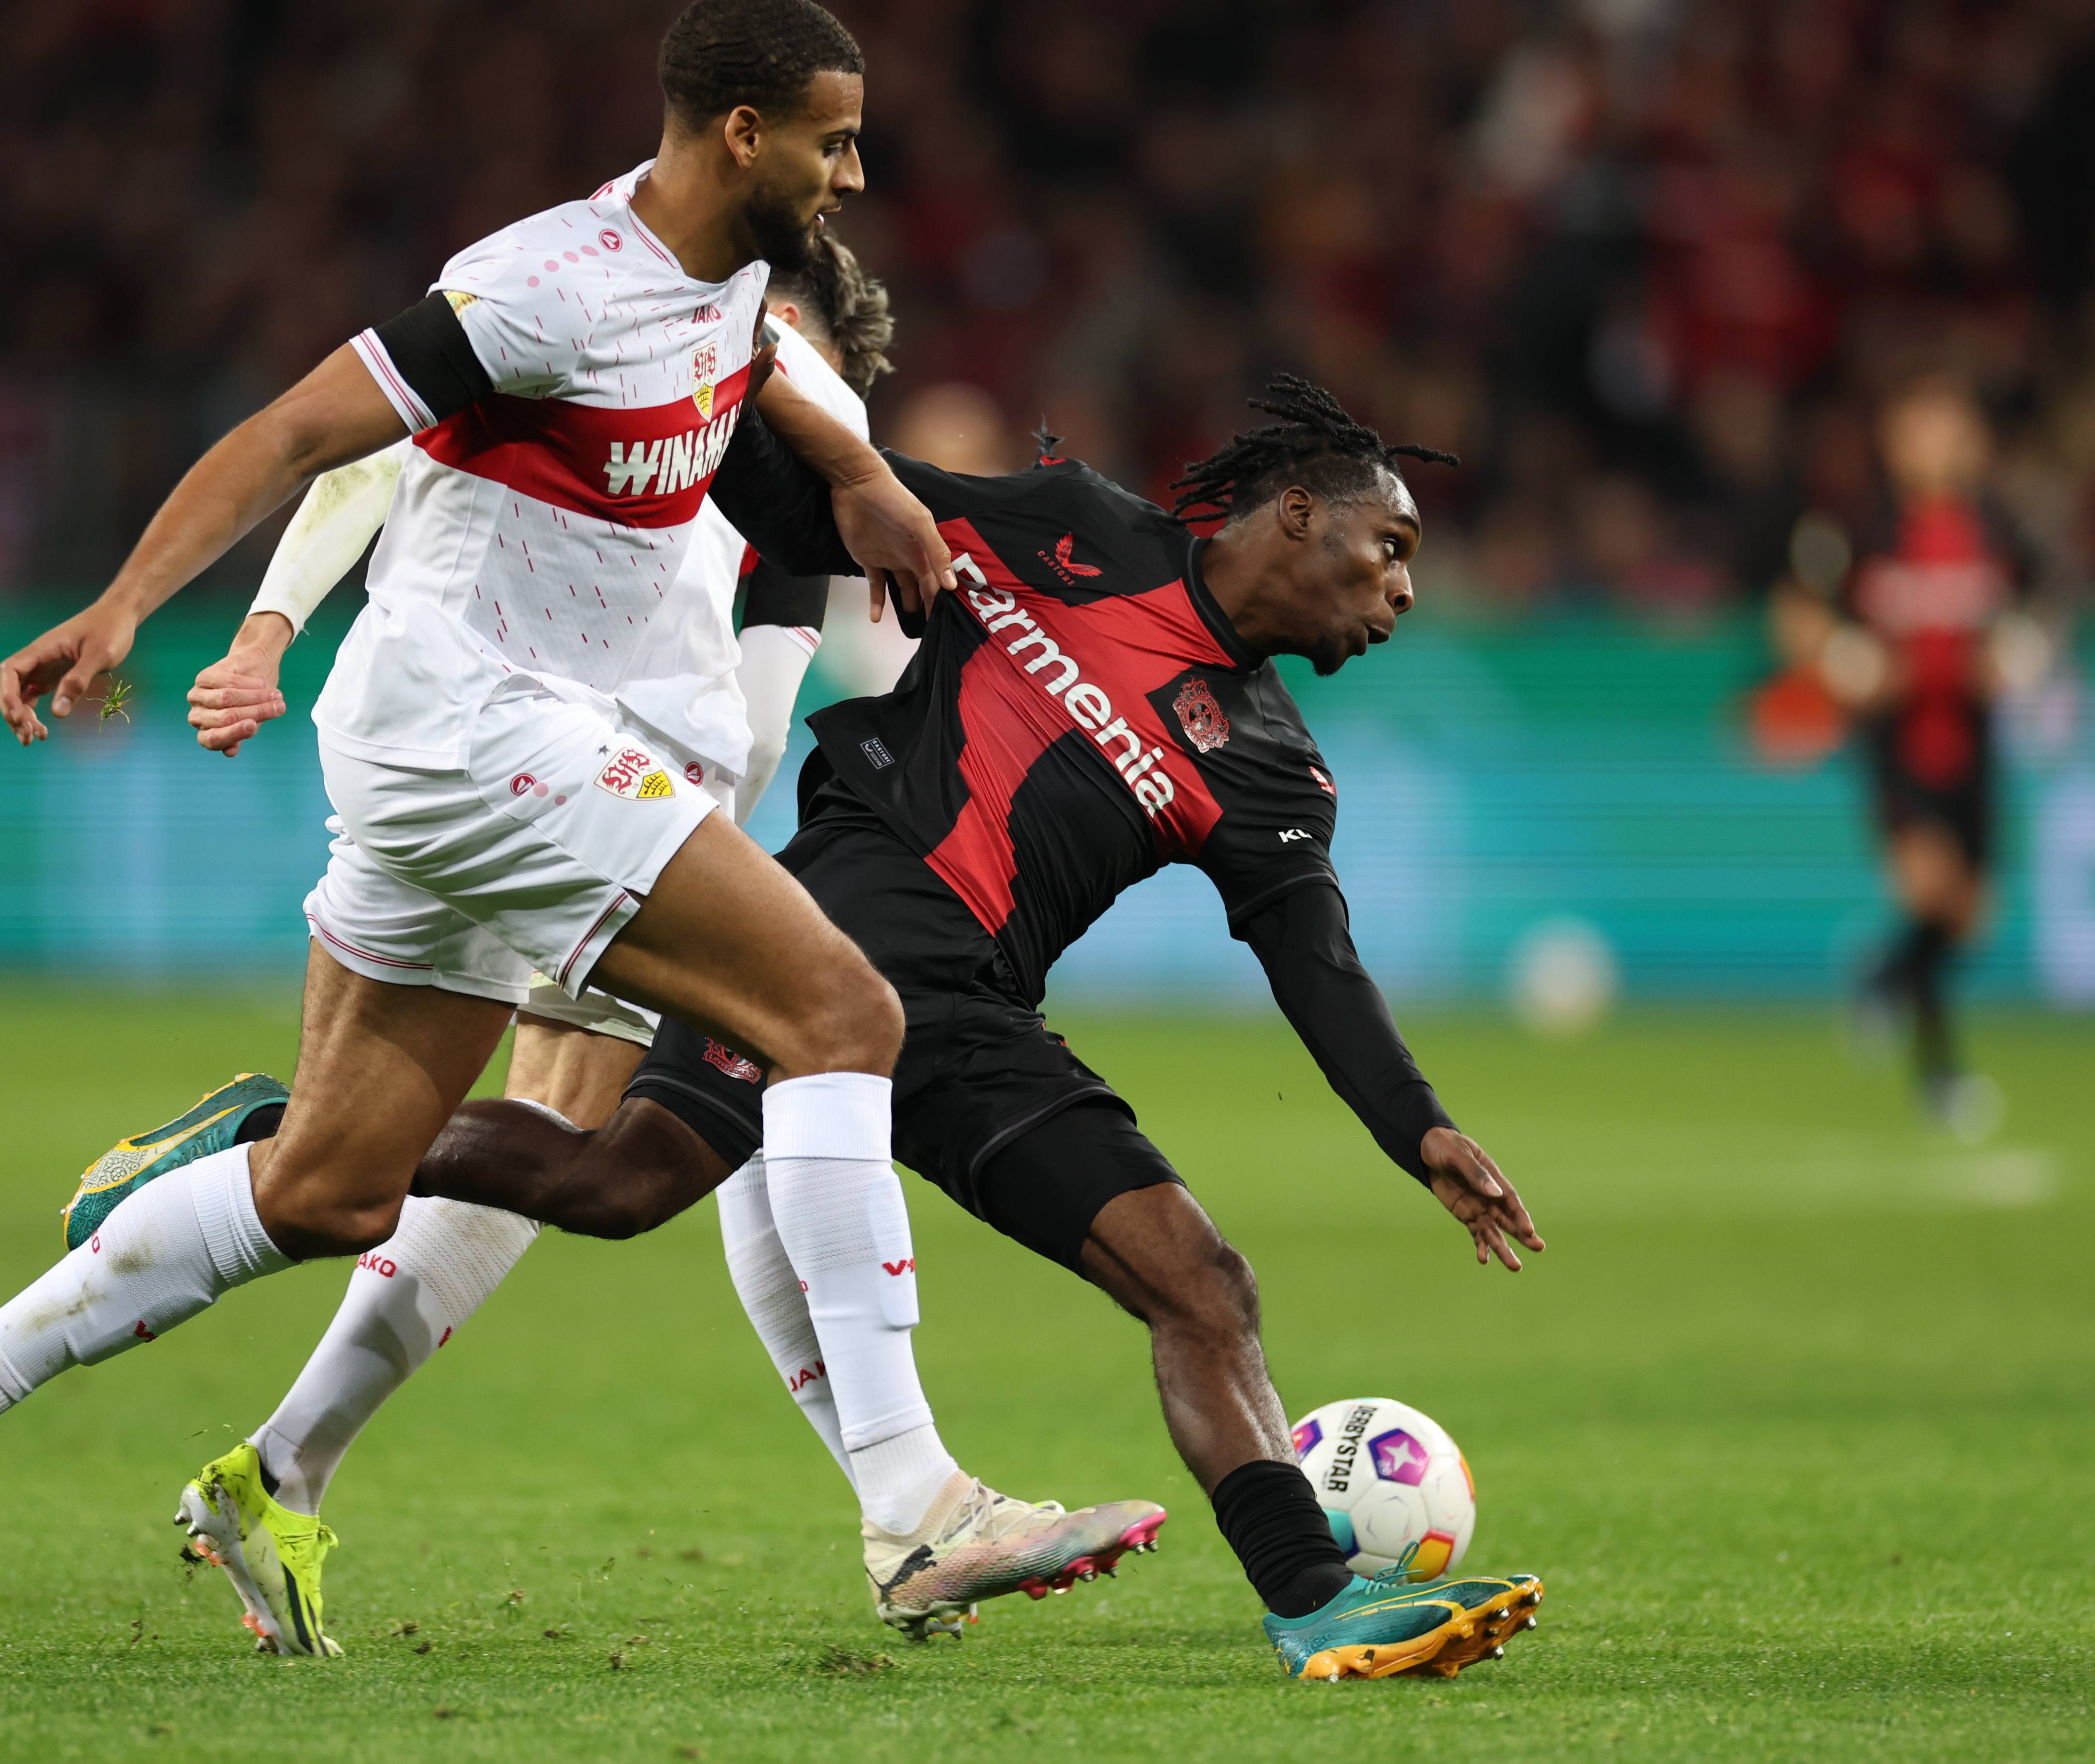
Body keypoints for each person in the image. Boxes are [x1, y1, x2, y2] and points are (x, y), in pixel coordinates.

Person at [0, 0, 1152, 1661]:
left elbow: (759, 366)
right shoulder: (541, 285)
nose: (857, 170)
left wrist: (857, 477)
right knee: (842, 1014)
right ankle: (914, 1504)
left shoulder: (729, 275)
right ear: (742, 132)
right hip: (476, 735)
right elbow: (304, 434)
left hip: (468, 754)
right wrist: (132, 609)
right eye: (834, 137)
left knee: (328, 1188)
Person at [101, 375, 1553, 1681]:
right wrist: (729, 400)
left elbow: (1321, 972)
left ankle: (1314, 1606)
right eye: (1392, 550)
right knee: (615, 1182)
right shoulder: (1069, 530)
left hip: (976, 1025)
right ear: (1295, 515)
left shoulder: (1275, 776)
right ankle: (276, 1138)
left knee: (1203, 1283)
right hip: (813, 953)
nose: (1402, 593)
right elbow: (812, 492)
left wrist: (1417, 1127)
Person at [102, 231, 910, 1655]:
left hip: (623, 807)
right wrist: (266, 630)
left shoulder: (782, 456)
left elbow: (769, 693)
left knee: (571, 1146)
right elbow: (369, 452)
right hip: (543, 776)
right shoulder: (627, 350)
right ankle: (273, 1176)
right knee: (585, 1137)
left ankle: (283, 1451)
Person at [1776, 377, 2039, 1134]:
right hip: (1897, 746)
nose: (1935, 440)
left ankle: (1881, 976)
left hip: (1974, 740)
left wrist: (2017, 654)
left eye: (1948, 426)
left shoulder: (2000, 529)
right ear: (1894, 440)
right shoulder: (1862, 528)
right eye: (1920, 426)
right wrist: (1841, 660)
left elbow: (2036, 614)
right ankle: (1942, 1078)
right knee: (1929, 894)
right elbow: (1795, 612)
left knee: (1969, 920)